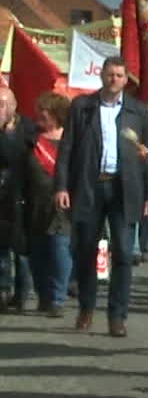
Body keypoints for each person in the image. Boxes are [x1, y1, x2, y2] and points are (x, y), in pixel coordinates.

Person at [54, 57, 148, 337]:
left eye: (120, 75)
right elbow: (66, 149)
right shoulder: (83, 107)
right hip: (90, 186)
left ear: (126, 80)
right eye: (110, 74)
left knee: (124, 252)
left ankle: (117, 315)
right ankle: (86, 308)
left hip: (124, 188)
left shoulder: (137, 111)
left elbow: (147, 155)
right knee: (86, 250)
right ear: (101, 76)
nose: (114, 79)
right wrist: (62, 186)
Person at [23, 91, 72, 317]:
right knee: (38, 252)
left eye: (46, 111)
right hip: (34, 202)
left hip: (62, 203)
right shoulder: (31, 138)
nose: (40, 114)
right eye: (40, 110)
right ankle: (43, 295)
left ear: (57, 114)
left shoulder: (71, 139)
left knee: (59, 248)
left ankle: (57, 298)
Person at [0, 87, 35, 313]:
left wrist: (8, 134)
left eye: (4, 104)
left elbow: (19, 156)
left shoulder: (28, 128)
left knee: (22, 247)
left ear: (14, 105)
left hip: (22, 194)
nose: (1, 109)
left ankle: (23, 293)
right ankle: (3, 290)